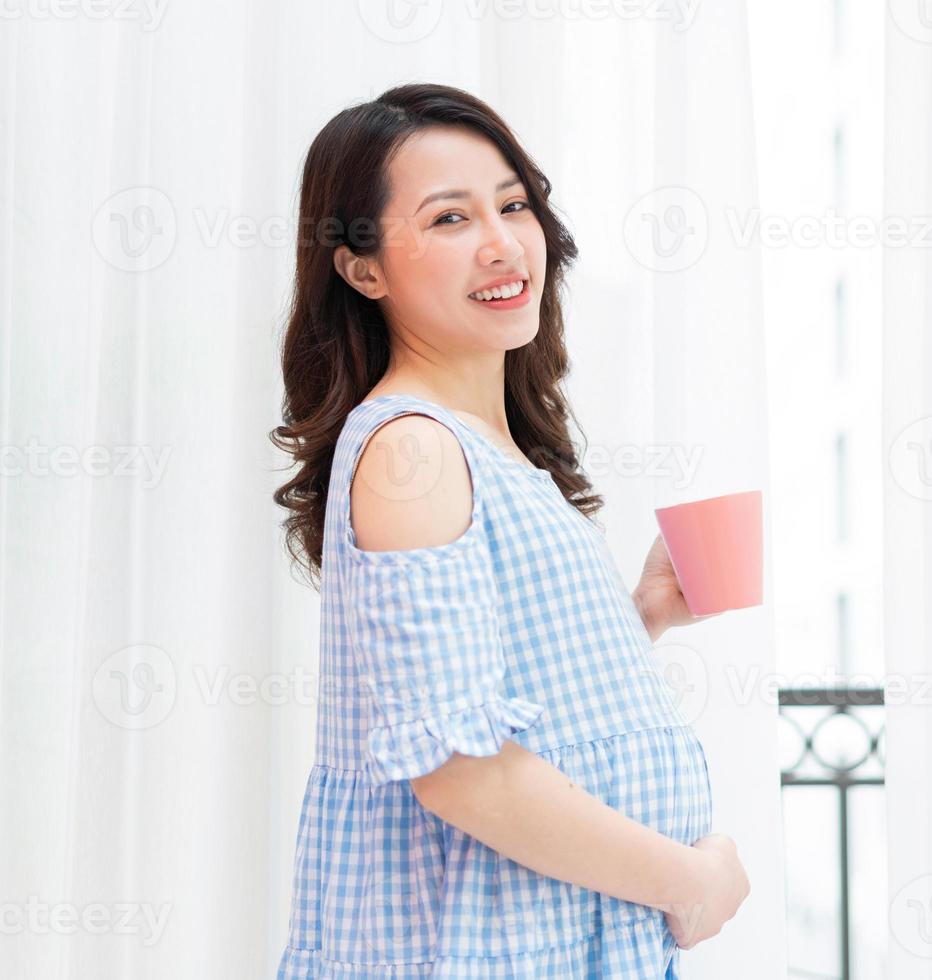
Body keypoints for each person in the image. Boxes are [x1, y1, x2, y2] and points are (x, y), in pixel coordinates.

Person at [269, 82, 749, 978]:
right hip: (485, 945)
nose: (502, 244)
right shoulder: (412, 450)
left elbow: (474, 686)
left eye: (513, 204)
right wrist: (690, 881)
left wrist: (637, 613)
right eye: (449, 219)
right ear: (363, 267)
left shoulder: (484, 444)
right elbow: (463, 773)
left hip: (544, 934)